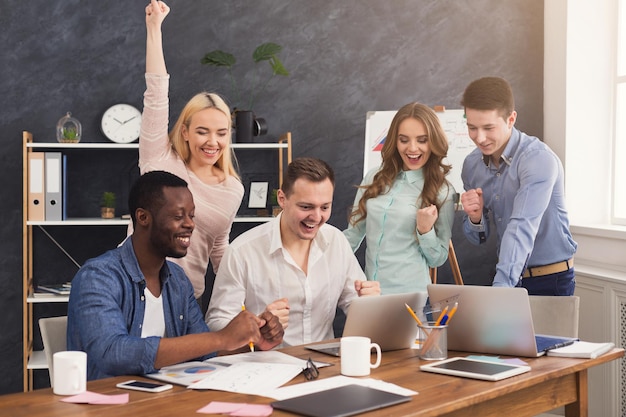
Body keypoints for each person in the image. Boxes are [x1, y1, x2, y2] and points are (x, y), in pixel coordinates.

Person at [67, 171, 283, 380]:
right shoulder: (97, 277)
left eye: (191, 216)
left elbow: (204, 351)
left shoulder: (178, 280)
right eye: (179, 216)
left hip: (167, 400)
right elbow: (113, 353)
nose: (190, 224)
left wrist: (254, 342)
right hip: (108, 404)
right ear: (143, 217)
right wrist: (220, 338)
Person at [206, 157, 381, 347]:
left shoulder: (336, 242)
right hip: (266, 368)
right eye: (306, 207)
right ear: (282, 199)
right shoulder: (241, 252)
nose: (316, 217)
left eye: (325, 207)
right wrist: (258, 324)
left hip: (326, 367)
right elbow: (216, 324)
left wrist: (368, 304)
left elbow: (353, 303)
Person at [135, 0, 244, 299]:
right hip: (135, 290)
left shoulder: (232, 189)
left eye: (221, 133)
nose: (212, 142)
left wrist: (243, 301)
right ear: (184, 132)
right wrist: (154, 28)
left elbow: (219, 248)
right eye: (202, 131)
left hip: (186, 300)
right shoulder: (160, 160)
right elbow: (156, 94)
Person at [459, 76, 577, 295]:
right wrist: (475, 217)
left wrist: (501, 291)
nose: (479, 138)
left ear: (511, 119)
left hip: (551, 280)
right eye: (472, 128)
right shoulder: (472, 165)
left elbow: (520, 227)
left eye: (488, 128)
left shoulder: (537, 159)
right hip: (508, 274)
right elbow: (478, 238)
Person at [343, 103, 456, 294]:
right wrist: (318, 256)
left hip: (410, 296)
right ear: (395, 141)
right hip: (369, 292)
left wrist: (425, 230)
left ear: (433, 141)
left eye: (422, 140)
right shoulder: (374, 177)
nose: (412, 148)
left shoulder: (443, 191)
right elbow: (353, 235)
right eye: (404, 140)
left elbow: (438, 258)